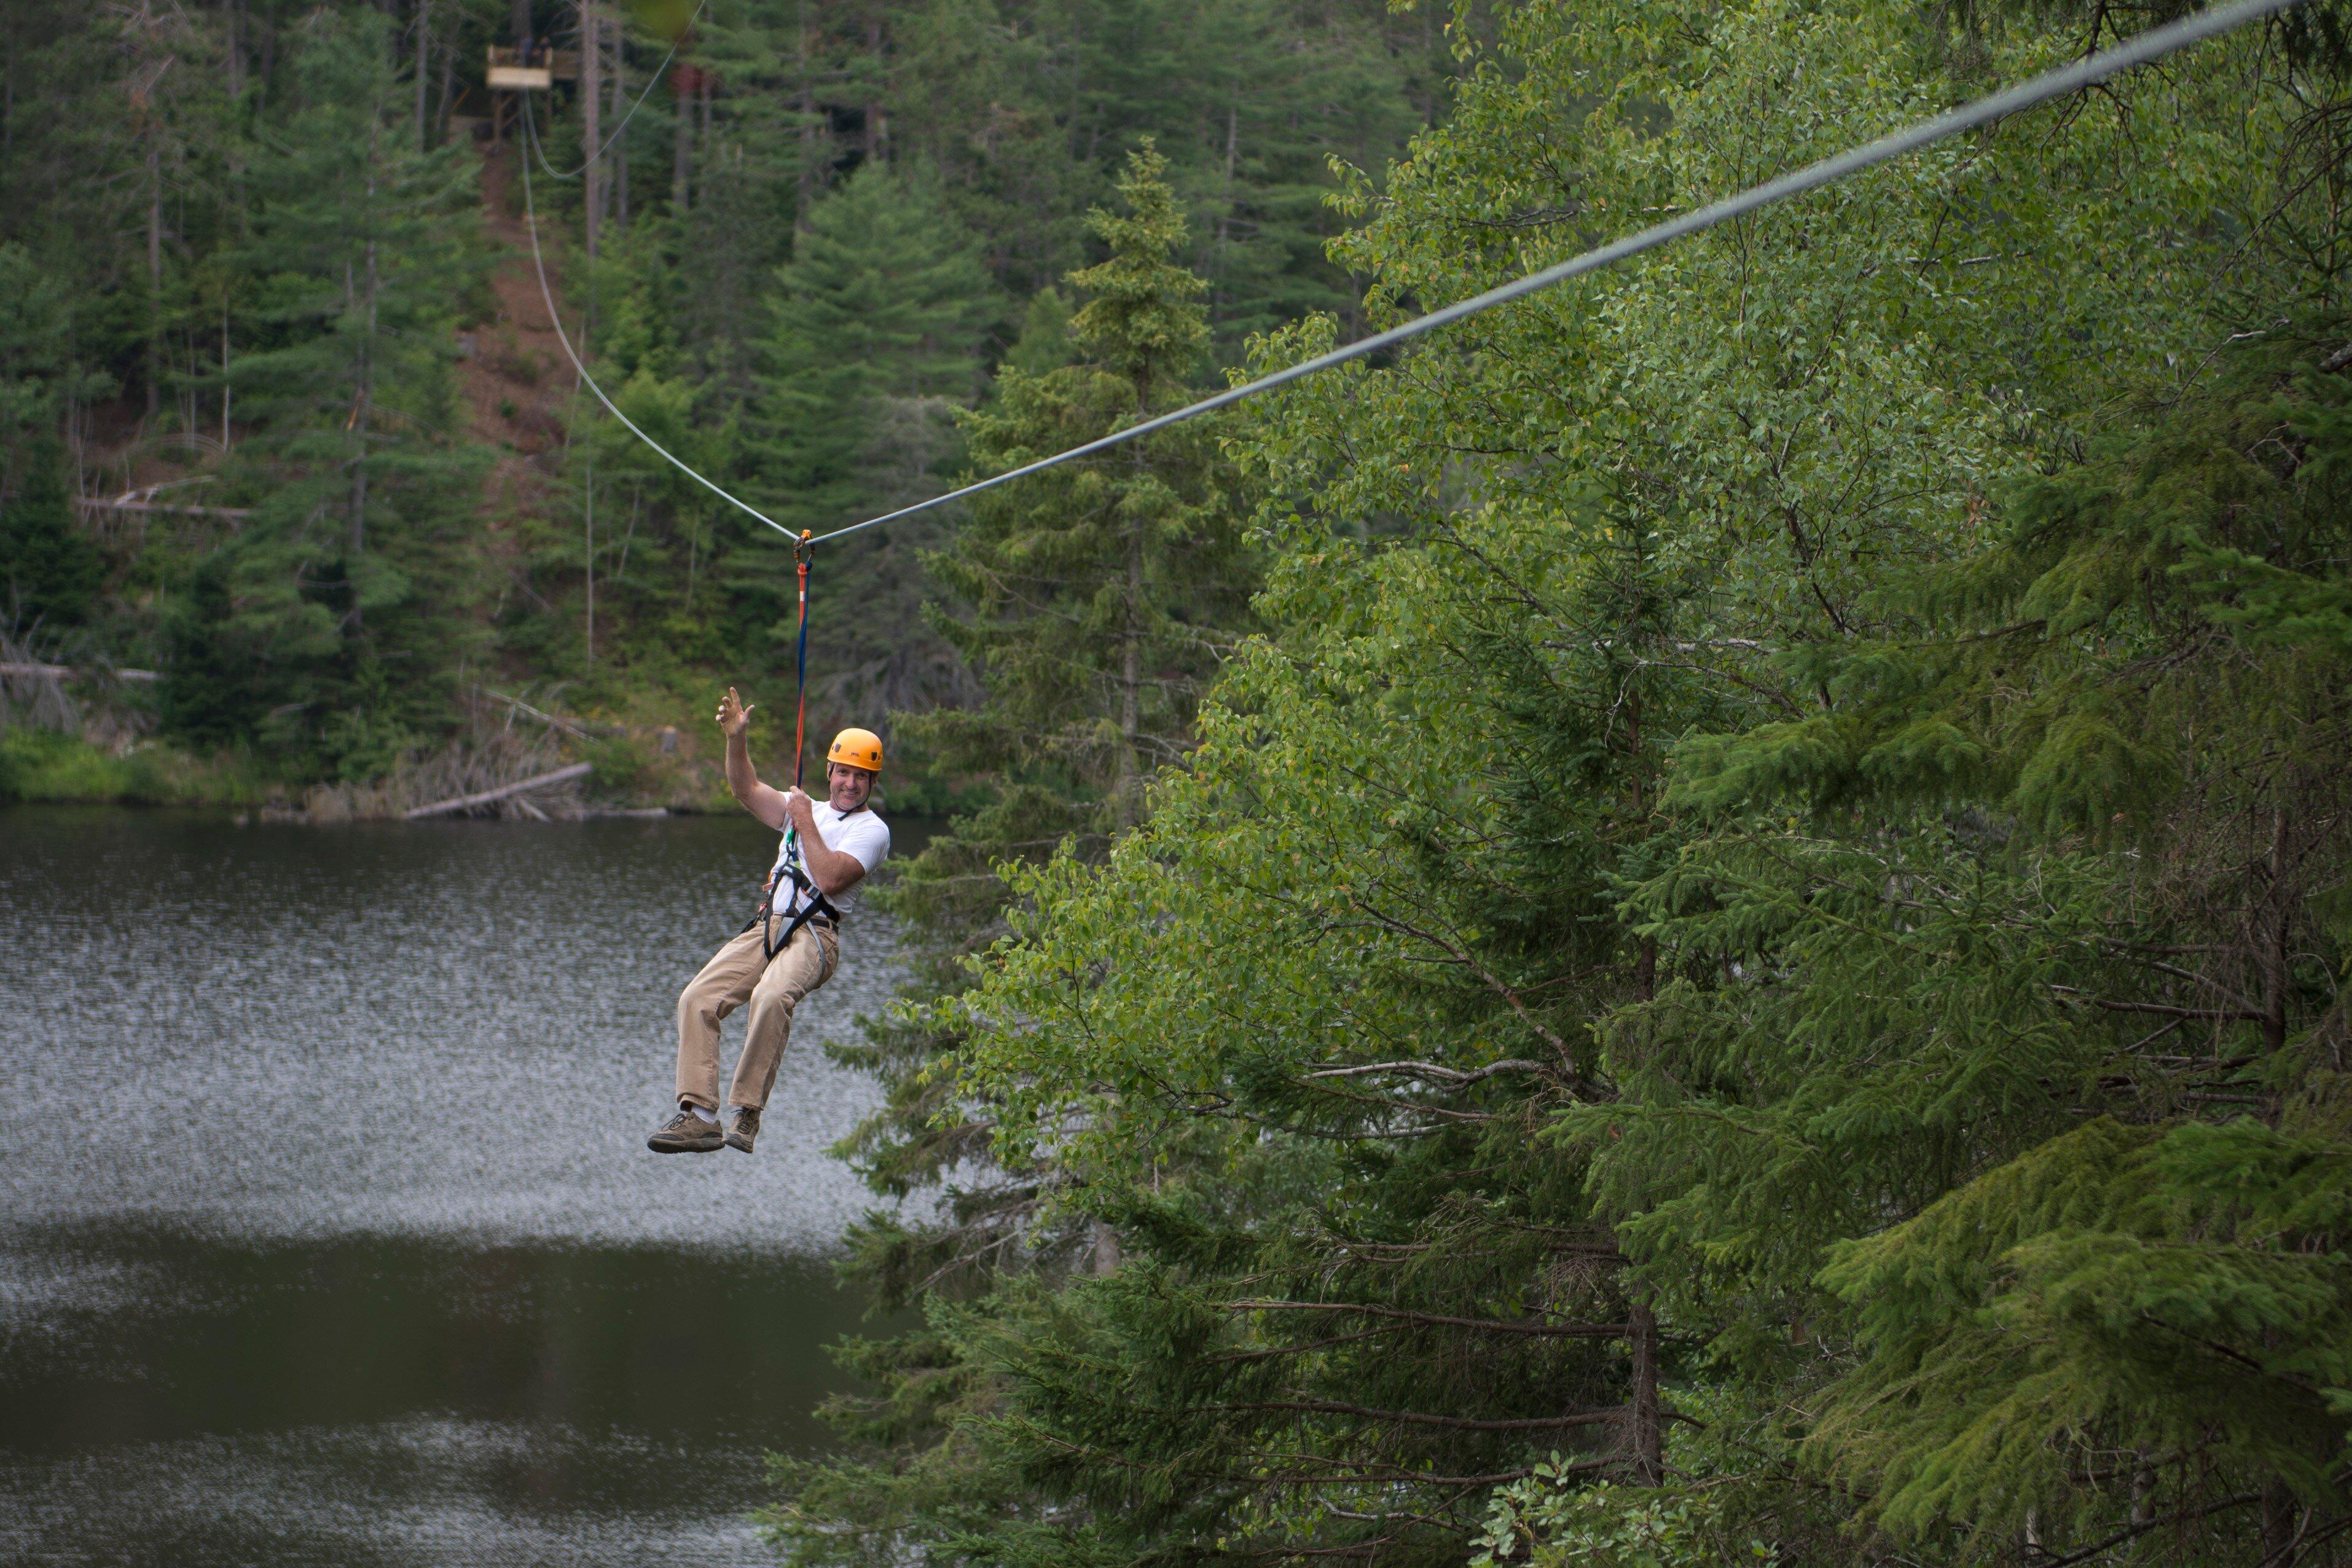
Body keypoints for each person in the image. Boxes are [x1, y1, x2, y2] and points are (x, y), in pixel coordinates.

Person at [648, 689, 890, 1155]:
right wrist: (737, 740)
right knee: (698, 997)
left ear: (871, 783)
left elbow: (831, 876)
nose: (849, 783)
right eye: (843, 772)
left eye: (861, 777)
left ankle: (748, 1110)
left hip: (814, 936)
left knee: (771, 995)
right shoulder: (805, 808)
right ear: (830, 772)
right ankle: (699, 1117)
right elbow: (744, 790)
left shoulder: (871, 831)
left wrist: (803, 821)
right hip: (768, 925)